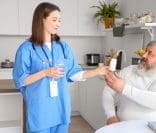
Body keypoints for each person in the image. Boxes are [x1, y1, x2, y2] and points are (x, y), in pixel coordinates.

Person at [12, 2, 109, 133]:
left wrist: (97, 71)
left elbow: (72, 73)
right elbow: (20, 80)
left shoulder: (63, 47)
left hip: (60, 108)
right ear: (42, 19)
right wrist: (45, 72)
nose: (58, 23)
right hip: (40, 111)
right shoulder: (27, 49)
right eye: (54, 20)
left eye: (59, 20)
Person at [103, 40, 156, 125]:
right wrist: (111, 116)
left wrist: (124, 88)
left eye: (150, 53)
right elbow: (108, 91)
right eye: (146, 51)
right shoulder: (129, 70)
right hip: (123, 127)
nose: (144, 55)